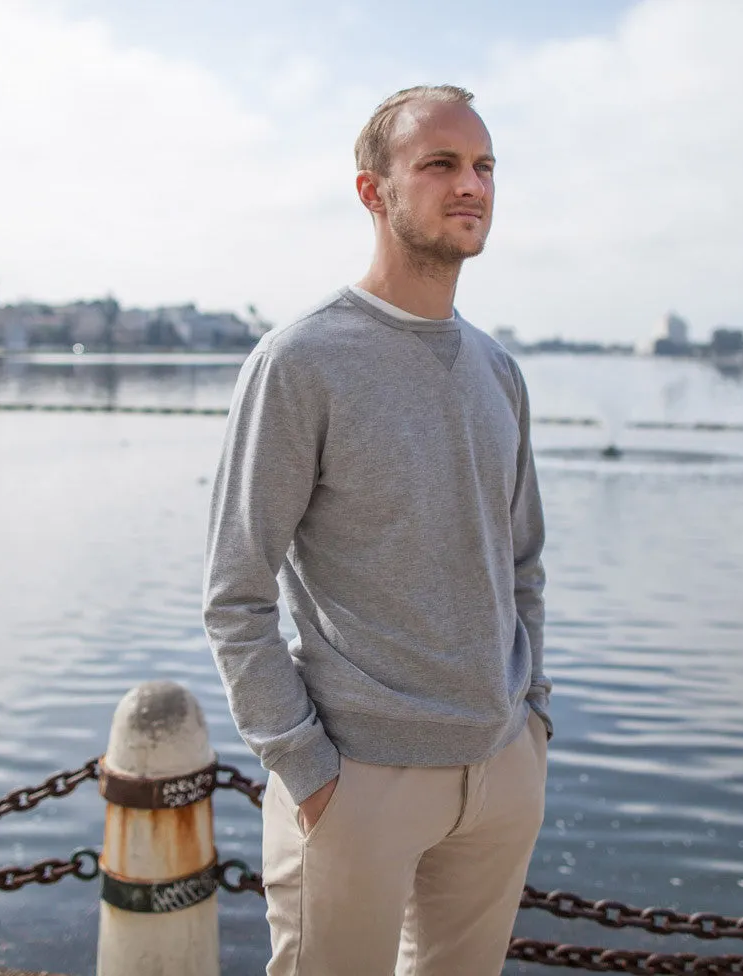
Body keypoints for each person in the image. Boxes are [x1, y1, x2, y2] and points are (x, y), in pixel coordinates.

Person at [203, 83, 552, 976]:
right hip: (359, 776)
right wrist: (310, 772)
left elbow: (522, 565)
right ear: (374, 190)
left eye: (482, 166)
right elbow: (236, 595)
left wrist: (531, 720)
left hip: (501, 767)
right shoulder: (301, 361)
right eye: (440, 164)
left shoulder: (498, 369)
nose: (469, 184)